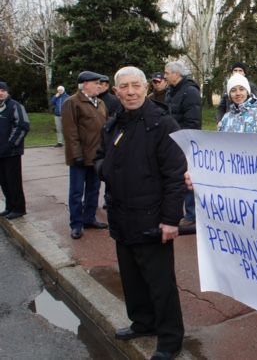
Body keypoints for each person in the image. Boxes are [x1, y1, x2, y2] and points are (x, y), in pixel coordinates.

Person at [95, 66, 185, 360]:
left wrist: (170, 220)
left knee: (160, 284)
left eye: (136, 85)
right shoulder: (114, 122)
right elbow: (99, 157)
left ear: (146, 88)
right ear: (116, 91)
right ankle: (143, 322)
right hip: (121, 216)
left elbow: (175, 176)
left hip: (152, 218)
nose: (131, 92)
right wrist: (104, 169)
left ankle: (170, 339)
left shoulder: (163, 124)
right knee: (131, 278)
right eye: (124, 87)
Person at [62, 71, 110, 239]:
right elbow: (70, 132)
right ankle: (76, 224)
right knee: (76, 192)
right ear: (85, 85)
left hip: (96, 156)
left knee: (93, 190)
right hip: (80, 157)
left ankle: (89, 219)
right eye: (96, 83)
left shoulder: (101, 103)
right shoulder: (72, 103)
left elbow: (106, 127)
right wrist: (77, 155)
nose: (99, 86)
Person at [164, 61, 201, 227]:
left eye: (167, 73)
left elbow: (193, 122)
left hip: (185, 141)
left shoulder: (190, 92)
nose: (165, 76)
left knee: (188, 178)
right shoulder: (171, 91)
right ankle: (177, 212)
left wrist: (181, 138)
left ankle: (192, 214)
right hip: (172, 140)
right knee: (174, 177)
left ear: (176, 74)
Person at [0, 81, 30, 220]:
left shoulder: (15, 106)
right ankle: (10, 206)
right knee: (4, 181)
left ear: (7, 92)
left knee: (13, 181)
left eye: (3, 90)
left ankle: (19, 208)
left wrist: (10, 144)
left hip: (12, 153)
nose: (0, 93)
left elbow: (23, 126)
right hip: (0, 153)